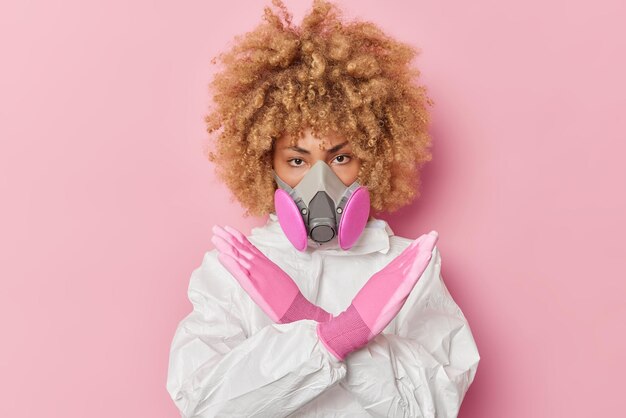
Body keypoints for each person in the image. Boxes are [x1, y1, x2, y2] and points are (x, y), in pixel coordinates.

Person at [166, 1, 480, 416]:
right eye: (297, 161)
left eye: (340, 159)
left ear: (373, 160)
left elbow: (434, 409)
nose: (320, 181)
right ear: (266, 165)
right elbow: (205, 407)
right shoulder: (234, 271)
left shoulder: (409, 267)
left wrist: (348, 333)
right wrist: (327, 336)